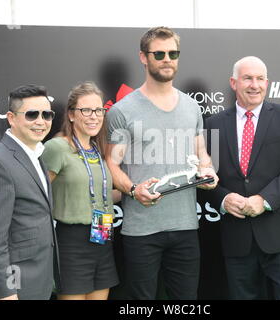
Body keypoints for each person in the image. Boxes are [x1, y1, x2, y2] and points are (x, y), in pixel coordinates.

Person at [106, 26, 218, 300]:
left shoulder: (192, 107)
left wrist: (208, 172)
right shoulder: (123, 110)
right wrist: (133, 191)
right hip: (141, 230)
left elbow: (201, 152)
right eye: (159, 53)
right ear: (144, 57)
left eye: (173, 53)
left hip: (185, 227)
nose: (167, 59)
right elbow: (111, 164)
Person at [204, 56, 280, 300]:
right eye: (247, 78)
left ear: (267, 82)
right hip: (237, 239)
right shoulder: (213, 124)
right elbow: (205, 177)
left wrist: (264, 199)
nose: (255, 85)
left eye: (260, 78)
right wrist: (223, 199)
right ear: (233, 83)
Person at [0, 84, 60, 300]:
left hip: (38, 282)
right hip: (17, 287)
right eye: (32, 114)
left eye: (46, 114)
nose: (41, 121)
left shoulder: (36, 155)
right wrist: (7, 293)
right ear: (11, 118)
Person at [42, 81, 120, 300]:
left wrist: (132, 191)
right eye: (86, 110)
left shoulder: (98, 149)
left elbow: (101, 194)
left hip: (102, 237)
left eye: (98, 110)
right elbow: (38, 193)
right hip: (71, 244)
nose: (94, 116)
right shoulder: (57, 147)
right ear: (71, 115)